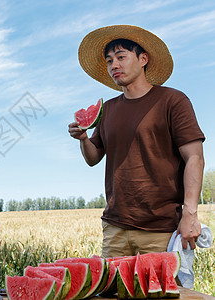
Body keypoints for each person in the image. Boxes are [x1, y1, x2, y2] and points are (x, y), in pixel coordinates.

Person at [68, 25, 205, 258]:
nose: (114, 65)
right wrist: (82, 139)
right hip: (115, 228)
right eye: (110, 61)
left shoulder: (173, 100)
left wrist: (190, 214)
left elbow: (195, 157)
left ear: (143, 59)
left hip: (160, 229)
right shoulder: (107, 109)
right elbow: (93, 158)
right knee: (111, 294)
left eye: (121, 57)